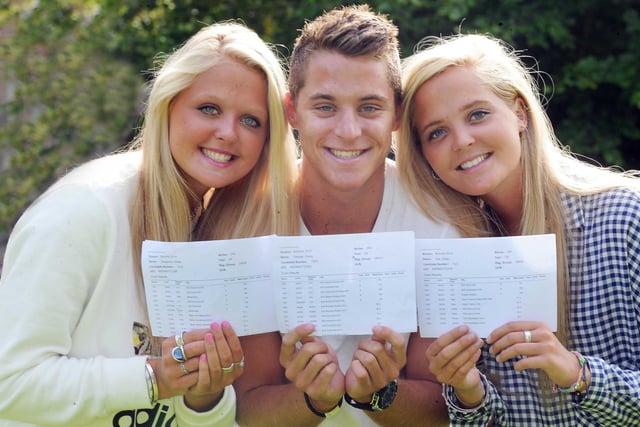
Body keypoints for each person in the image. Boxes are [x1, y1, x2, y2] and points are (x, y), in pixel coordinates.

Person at [0, 22, 298, 427]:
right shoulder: (81, 212)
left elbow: (189, 416)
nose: (228, 133)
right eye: (208, 108)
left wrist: (204, 397)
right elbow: (10, 386)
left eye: (251, 121)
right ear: (168, 104)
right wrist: (154, 376)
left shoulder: (231, 233)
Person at [396, 33, 640, 425]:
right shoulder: (453, 256)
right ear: (424, 156)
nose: (462, 141)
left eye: (477, 114)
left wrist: (578, 375)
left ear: (520, 114)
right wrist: (468, 390)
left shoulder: (626, 217)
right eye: (436, 132)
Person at [233, 5, 455, 426]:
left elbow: (444, 409)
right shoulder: (251, 222)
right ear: (292, 112)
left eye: (369, 107)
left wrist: (378, 394)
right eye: (325, 107)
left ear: (397, 113)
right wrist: (314, 400)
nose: (349, 131)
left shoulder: (440, 224)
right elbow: (249, 410)